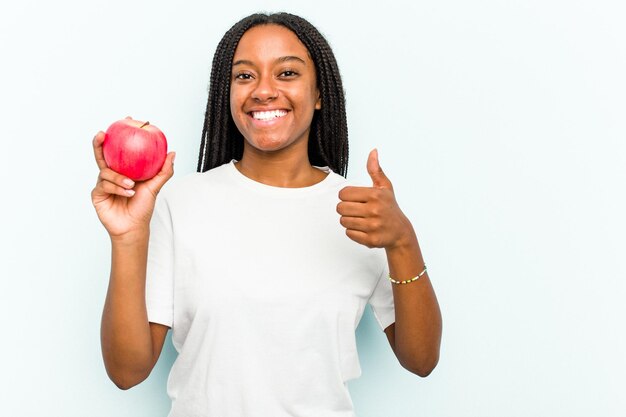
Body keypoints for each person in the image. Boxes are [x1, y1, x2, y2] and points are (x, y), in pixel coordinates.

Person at [91, 12, 442, 417]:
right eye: (244, 76)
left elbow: (421, 359)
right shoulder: (180, 202)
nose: (263, 91)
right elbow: (126, 371)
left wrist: (403, 241)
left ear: (319, 92)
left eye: (288, 73)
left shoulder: (363, 212)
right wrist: (127, 237)